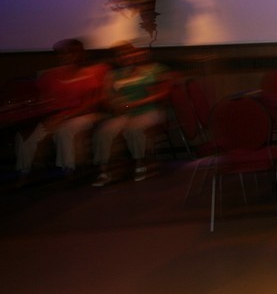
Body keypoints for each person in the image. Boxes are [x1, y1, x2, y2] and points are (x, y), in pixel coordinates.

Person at [15, 38, 108, 177]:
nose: (66, 56)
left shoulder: (92, 73)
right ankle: (23, 172)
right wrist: (47, 118)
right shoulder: (49, 76)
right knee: (26, 136)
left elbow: (91, 104)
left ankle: (68, 170)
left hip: (82, 115)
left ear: (80, 54)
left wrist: (64, 117)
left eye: (71, 52)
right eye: (62, 53)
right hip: (55, 116)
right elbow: (42, 101)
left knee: (65, 130)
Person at [91, 42, 170, 186]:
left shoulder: (149, 70)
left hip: (147, 110)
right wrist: (114, 105)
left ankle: (141, 164)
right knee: (104, 132)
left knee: (133, 129)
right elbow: (105, 97)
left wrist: (134, 104)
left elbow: (161, 93)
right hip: (123, 113)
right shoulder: (114, 75)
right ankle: (105, 171)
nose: (125, 57)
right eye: (120, 55)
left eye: (128, 54)